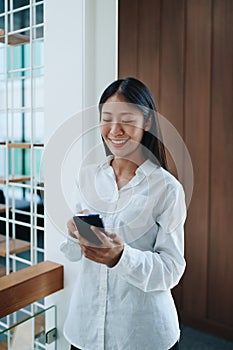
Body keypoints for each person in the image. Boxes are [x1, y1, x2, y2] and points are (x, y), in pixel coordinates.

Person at [60, 77, 186, 350]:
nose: (114, 130)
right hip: (85, 331)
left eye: (126, 120)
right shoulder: (86, 176)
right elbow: (72, 255)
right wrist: (73, 233)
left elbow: (172, 269)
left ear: (147, 122)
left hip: (142, 334)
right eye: (106, 119)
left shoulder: (167, 189)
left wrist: (121, 257)